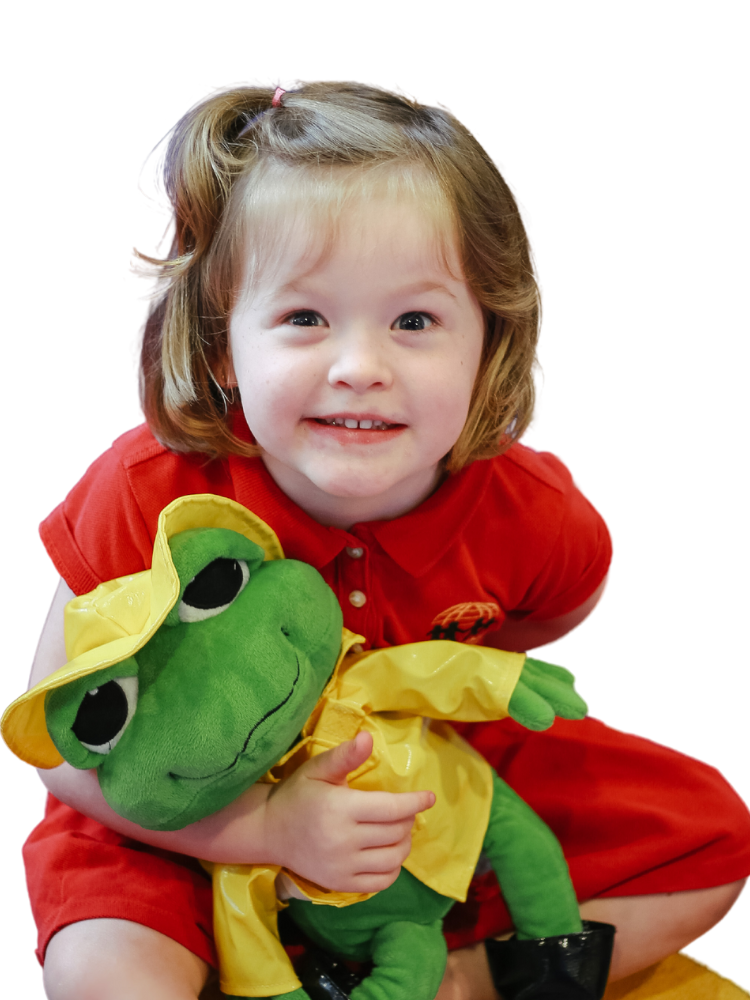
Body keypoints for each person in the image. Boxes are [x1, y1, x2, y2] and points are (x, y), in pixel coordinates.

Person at [23, 80, 749, 1000]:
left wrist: (440, 721)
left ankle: (454, 979)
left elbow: (556, 612)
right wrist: (260, 830)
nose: (361, 368)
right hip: (183, 814)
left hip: (417, 794)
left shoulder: (531, 508)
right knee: (104, 979)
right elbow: (57, 744)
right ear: (220, 348)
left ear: (487, 344)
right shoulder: (147, 491)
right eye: (304, 319)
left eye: (414, 321)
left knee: (715, 839)